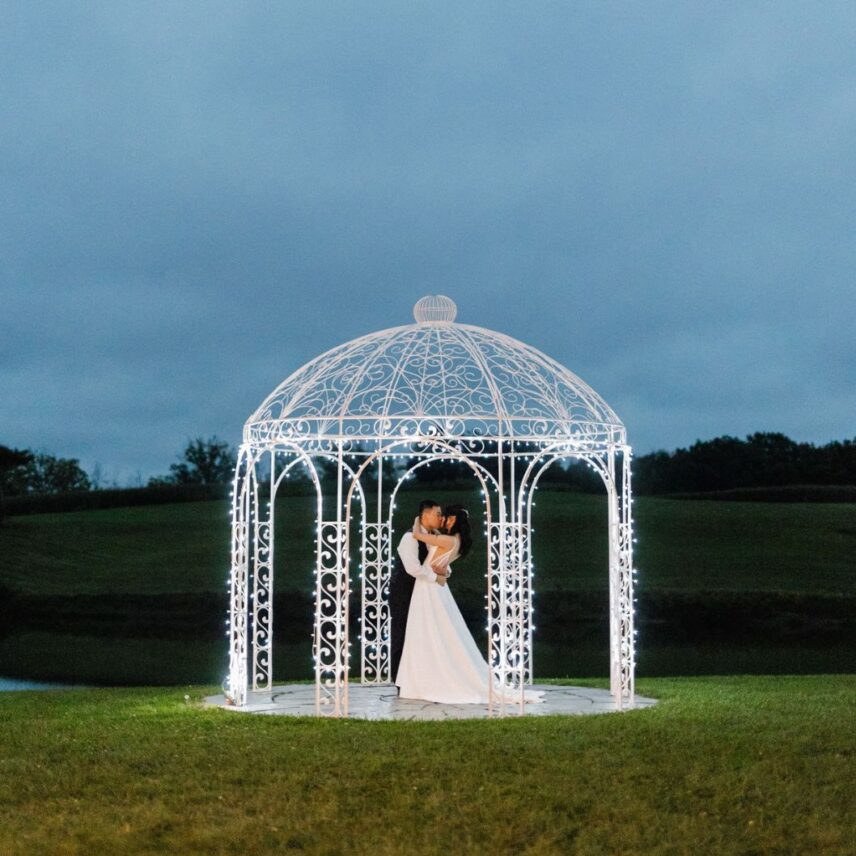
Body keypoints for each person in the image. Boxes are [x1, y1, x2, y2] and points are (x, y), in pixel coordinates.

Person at [396, 504, 543, 705]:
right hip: (433, 586)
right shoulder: (455, 541)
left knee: (427, 631)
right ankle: (423, 678)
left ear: (454, 520)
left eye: (446, 517)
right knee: (433, 631)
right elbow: (439, 561)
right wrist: (444, 572)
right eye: (440, 516)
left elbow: (417, 535)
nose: (442, 520)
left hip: (429, 587)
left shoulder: (446, 539)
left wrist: (418, 520)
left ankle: (425, 680)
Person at [389, 499, 447, 689]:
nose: (440, 518)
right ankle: (400, 681)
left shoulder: (433, 537)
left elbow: (439, 561)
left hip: (423, 595)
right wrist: (435, 578)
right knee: (402, 634)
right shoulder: (410, 538)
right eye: (437, 514)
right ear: (426, 515)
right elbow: (412, 568)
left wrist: (444, 572)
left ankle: (421, 678)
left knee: (422, 635)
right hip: (403, 593)